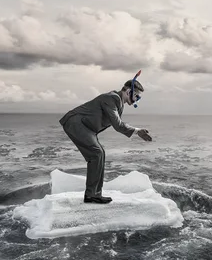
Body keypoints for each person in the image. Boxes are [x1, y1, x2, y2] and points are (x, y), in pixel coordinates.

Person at [58, 71, 152, 204]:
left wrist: (135, 131)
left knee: (99, 154)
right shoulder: (112, 98)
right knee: (97, 153)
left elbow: (116, 123)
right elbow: (118, 125)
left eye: (139, 98)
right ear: (127, 91)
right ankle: (92, 195)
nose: (137, 99)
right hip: (76, 123)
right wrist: (137, 131)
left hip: (87, 128)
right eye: (136, 96)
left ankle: (93, 194)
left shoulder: (118, 103)